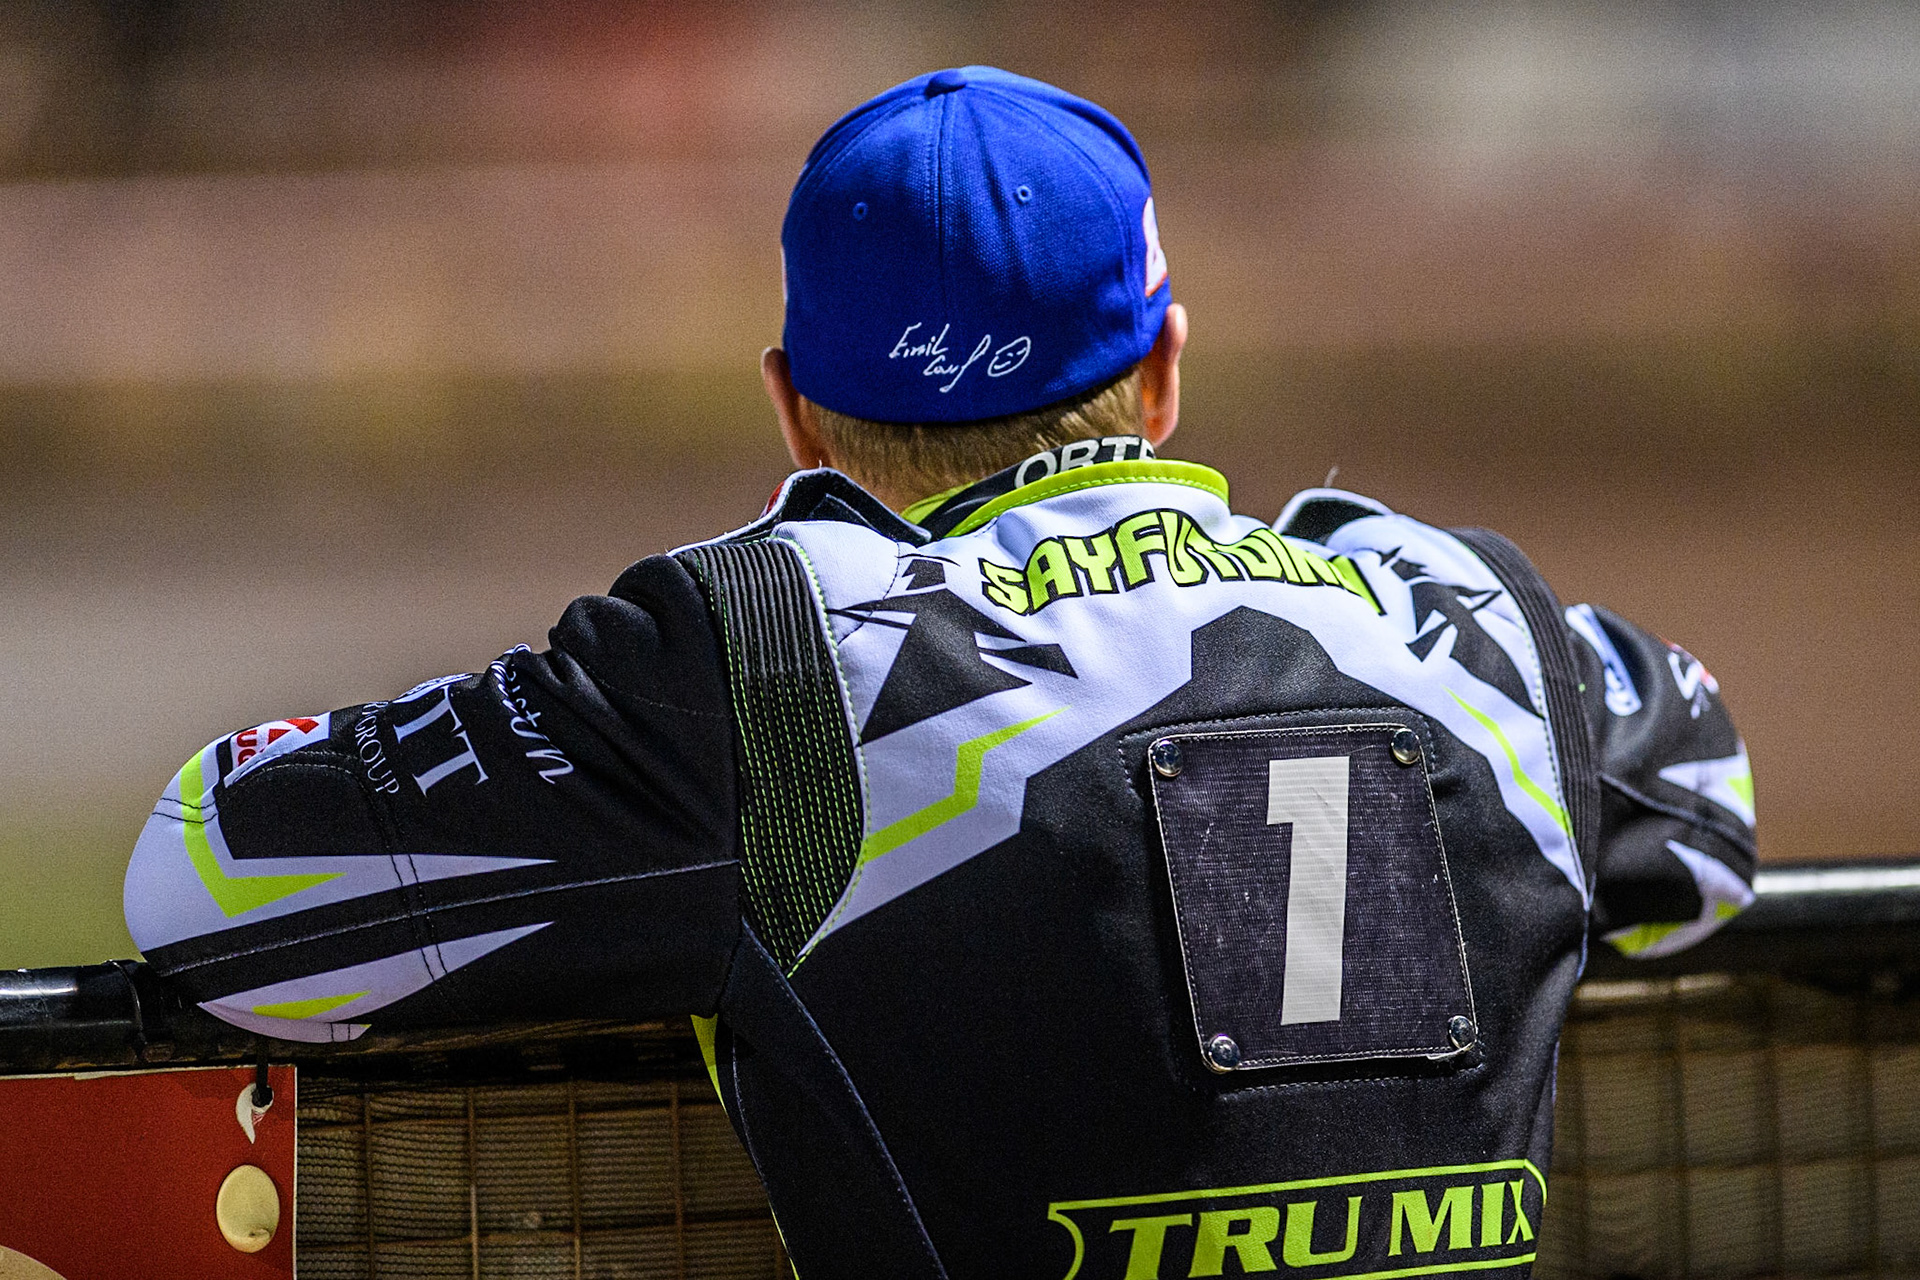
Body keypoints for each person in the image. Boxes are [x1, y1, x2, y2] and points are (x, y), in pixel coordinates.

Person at [123, 67, 1756, 1279]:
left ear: (796, 413)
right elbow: (1704, 825)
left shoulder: (766, 650)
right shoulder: (1467, 615)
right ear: (1163, 371)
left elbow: (208, 881)